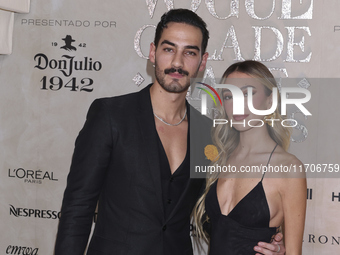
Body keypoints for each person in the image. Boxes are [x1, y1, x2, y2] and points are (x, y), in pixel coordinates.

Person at [54, 9, 285, 255]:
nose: (177, 62)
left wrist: (267, 242)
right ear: (153, 53)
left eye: (189, 52)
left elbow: (218, 213)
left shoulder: (209, 133)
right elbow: (77, 208)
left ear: (202, 62)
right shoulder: (111, 115)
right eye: (168, 49)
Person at [193, 60, 307, 255]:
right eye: (229, 96)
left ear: (270, 101)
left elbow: (294, 252)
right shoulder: (219, 159)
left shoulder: (288, 168)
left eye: (247, 93)